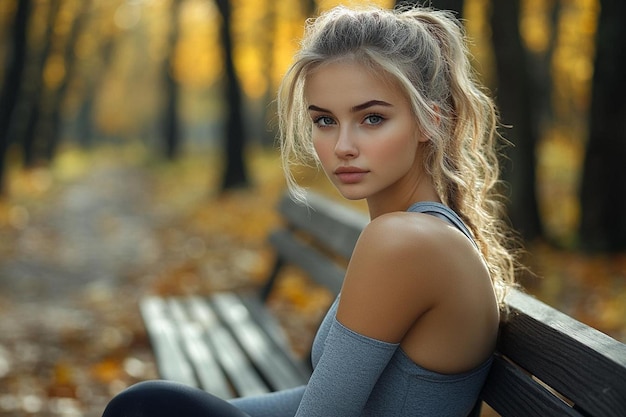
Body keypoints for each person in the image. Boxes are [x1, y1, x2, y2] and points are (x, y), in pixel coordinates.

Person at [102, 4, 519, 417]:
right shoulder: (421, 233)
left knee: (140, 407)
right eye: (324, 121)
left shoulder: (403, 242)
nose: (342, 147)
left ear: (430, 121)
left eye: (372, 118)